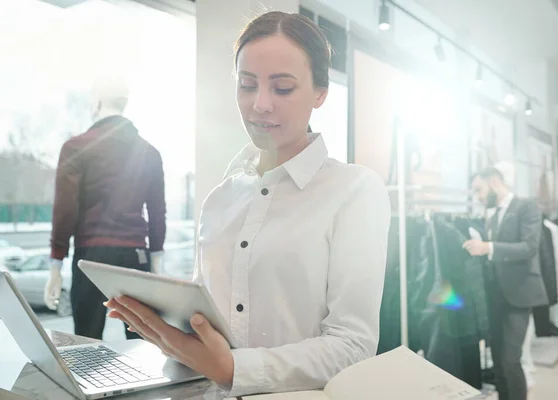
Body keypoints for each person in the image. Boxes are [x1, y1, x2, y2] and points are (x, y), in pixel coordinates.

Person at [104, 11, 391, 397]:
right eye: (247, 85)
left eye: (283, 88)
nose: (260, 104)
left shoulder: (354, 190)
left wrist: (234, 368)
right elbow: (206, 322)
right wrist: (168, 330)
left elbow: (353, 346)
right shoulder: (220, 199)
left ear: (320, 92)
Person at [44, 77, 167, 340]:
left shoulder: (76, 147)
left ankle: (90, 382)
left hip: (92, 254)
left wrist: (56, 261)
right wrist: (156, 259)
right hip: (136, 256)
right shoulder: (150, 152)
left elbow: (65, 209)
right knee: (141, 341)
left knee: (86, 342)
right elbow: (157, 211)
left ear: (97, 102)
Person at [463, 167, 547, 400]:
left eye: (480, 189)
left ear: (494, 181)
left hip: (519, 294)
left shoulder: (526, 206)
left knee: (511, 359)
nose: (478, 196)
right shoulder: (490, 213)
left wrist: (488, 247)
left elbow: (529, 247)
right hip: (495, 296)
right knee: (498, 359)